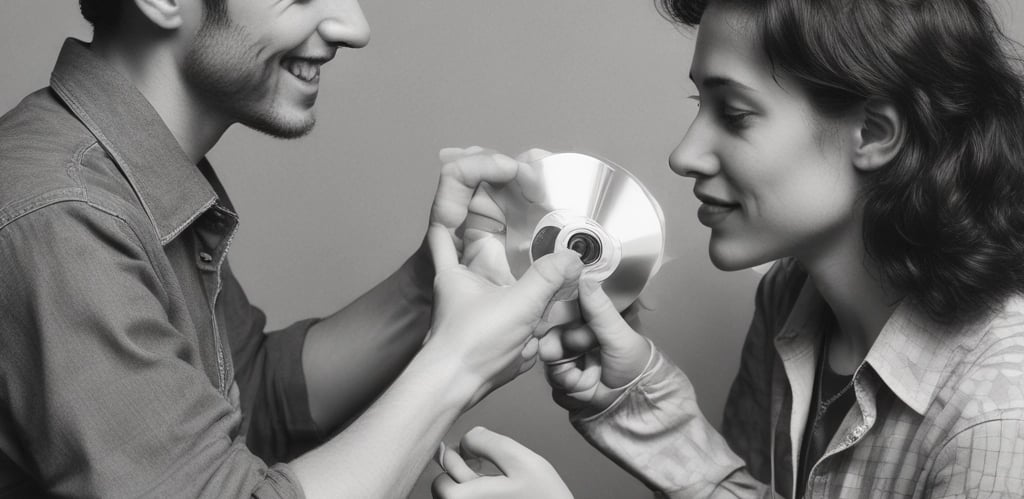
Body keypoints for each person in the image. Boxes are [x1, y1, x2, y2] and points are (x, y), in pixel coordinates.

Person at [432, 0, 1024, 497]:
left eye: (735, 115)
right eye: (700, 106)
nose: (684, 155)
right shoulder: (791, 295)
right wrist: (633, 395)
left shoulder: (999, 417)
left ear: (874, 134)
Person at [0, 0, 585, 497]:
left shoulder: (130, 171)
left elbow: (249, 398)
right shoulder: (64, 214)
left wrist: (437, 274)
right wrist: (458, 364)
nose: (353, 26)